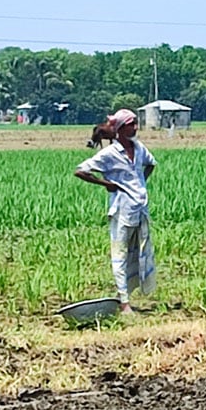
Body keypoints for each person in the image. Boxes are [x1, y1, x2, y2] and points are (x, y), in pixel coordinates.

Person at [74, 109, 157, 313]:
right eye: (131, 124)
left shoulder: (139, 148)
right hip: (121, 209)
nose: (136, 127)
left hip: (140, 208)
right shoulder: (109, 154)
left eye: (136, 123)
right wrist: (105, 183)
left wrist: (140, 183)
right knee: (119, 254)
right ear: (120, 128)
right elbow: (81, 171)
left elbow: (151, 164)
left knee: (139, 252)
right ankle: (124, 302)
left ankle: (130, 294)